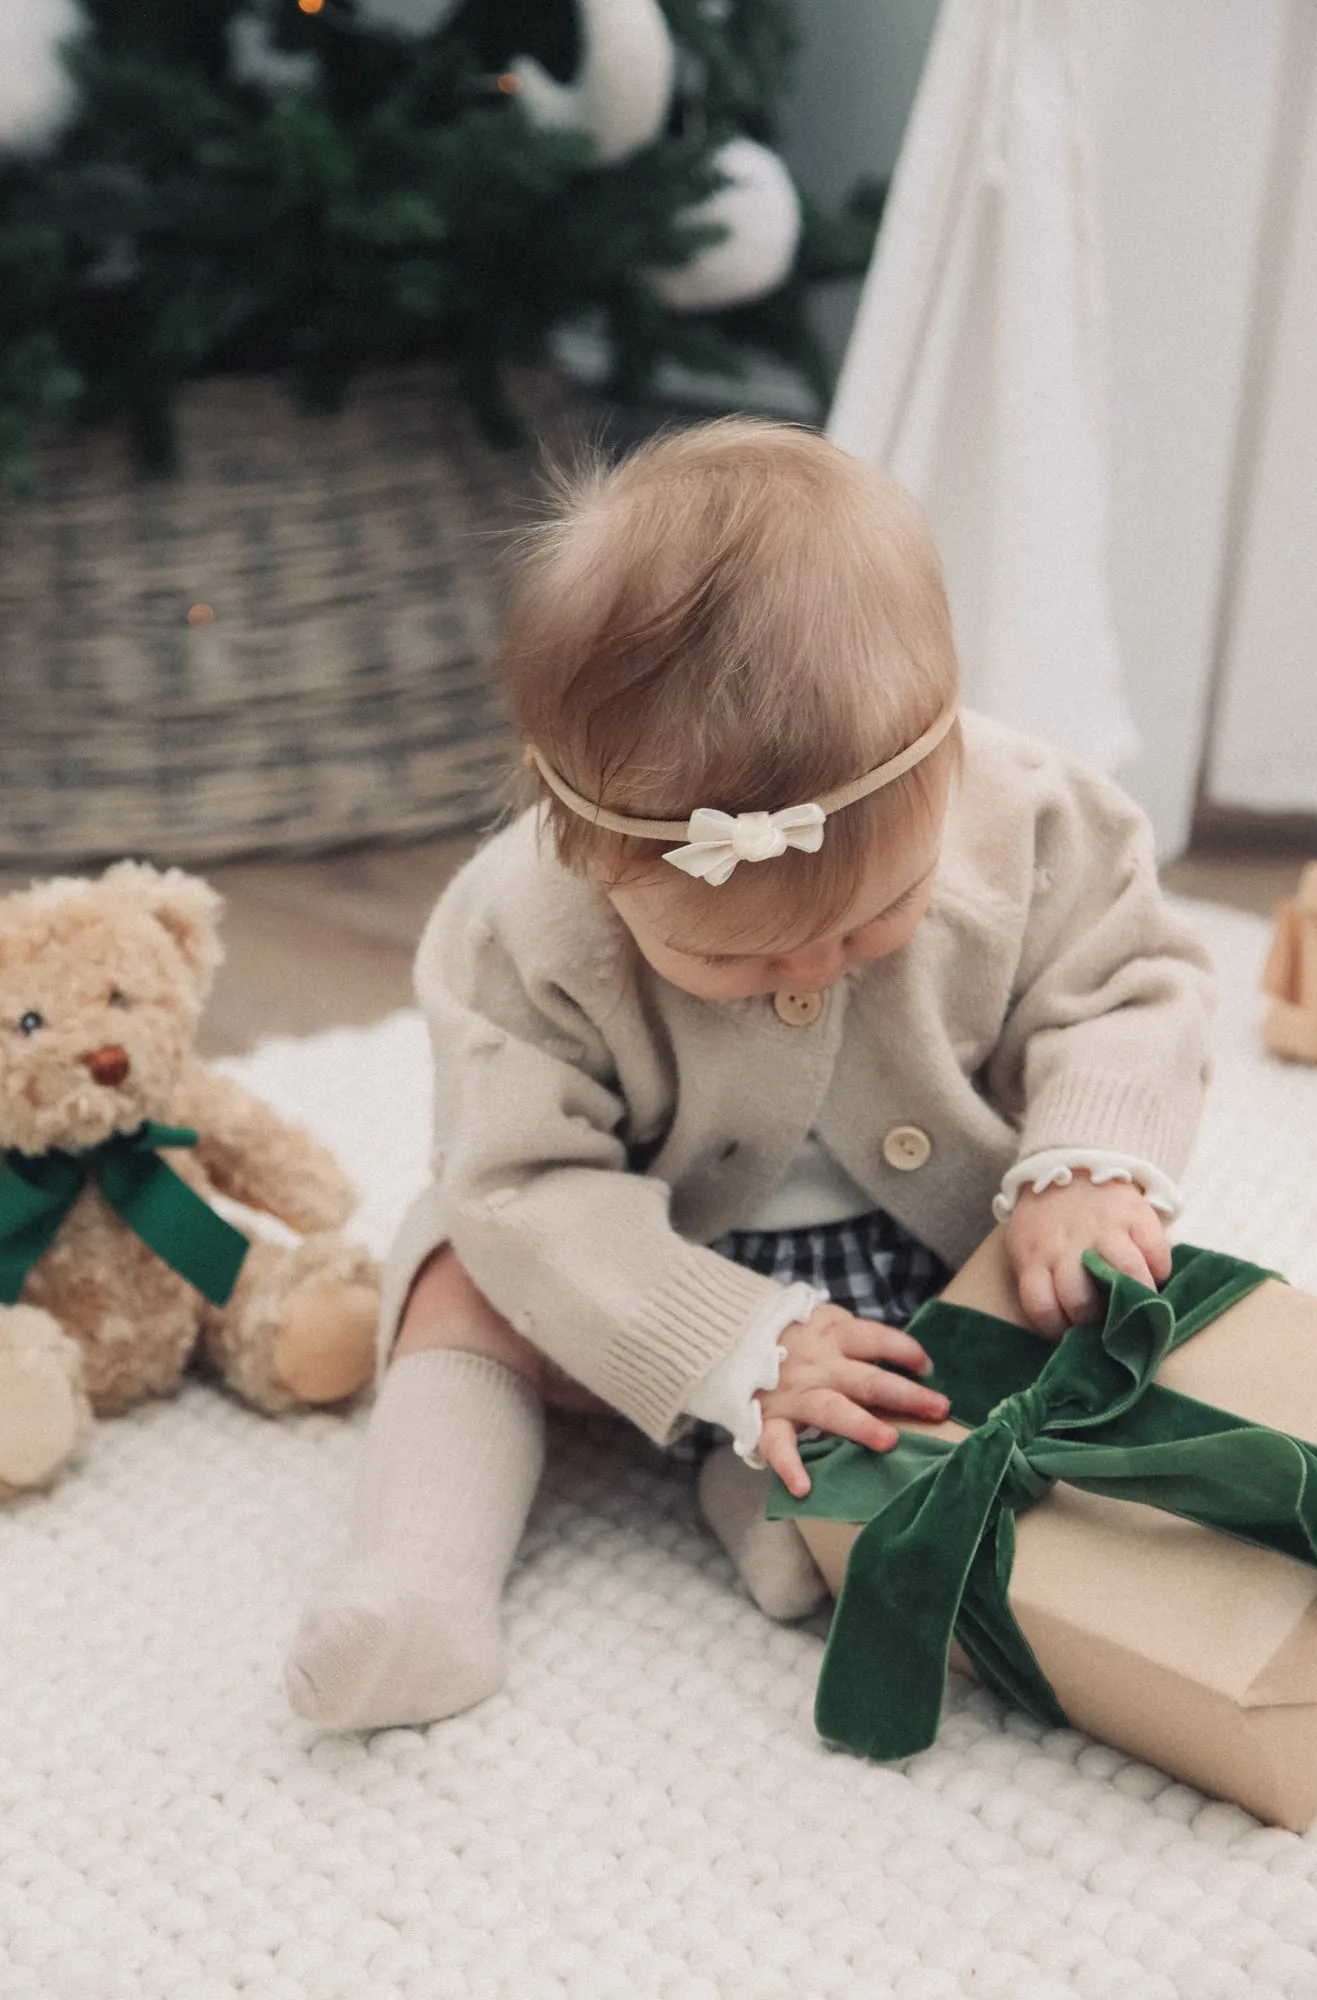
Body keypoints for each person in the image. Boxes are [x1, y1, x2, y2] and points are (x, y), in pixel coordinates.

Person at [285, 419, 1213, 1732]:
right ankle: (422, 1581)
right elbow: (521, 1182)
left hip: (952, 1250)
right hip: (643, 1278)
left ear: (946, 763)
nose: (823, 965)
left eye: (879, 914)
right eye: (738, 954)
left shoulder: (1031, 815)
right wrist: (722, 1341)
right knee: (454, 1271)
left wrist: (1088, 1162)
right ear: (584, 847)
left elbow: (1128, 983)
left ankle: (806, 1500)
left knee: (1097, 1301)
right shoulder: (523, 926)